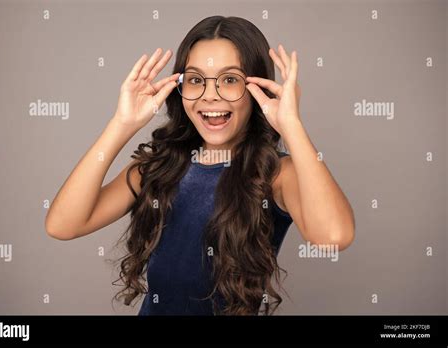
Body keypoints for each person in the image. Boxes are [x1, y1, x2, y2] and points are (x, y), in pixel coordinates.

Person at [45, 15, 355, 316]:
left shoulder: (277, 175)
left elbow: (334, 237)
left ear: (258, 89)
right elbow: (62, 225)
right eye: (195, 80)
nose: (210, 96)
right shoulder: (159, 166)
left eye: (230, 80)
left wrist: (292, 126)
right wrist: (121, 124)